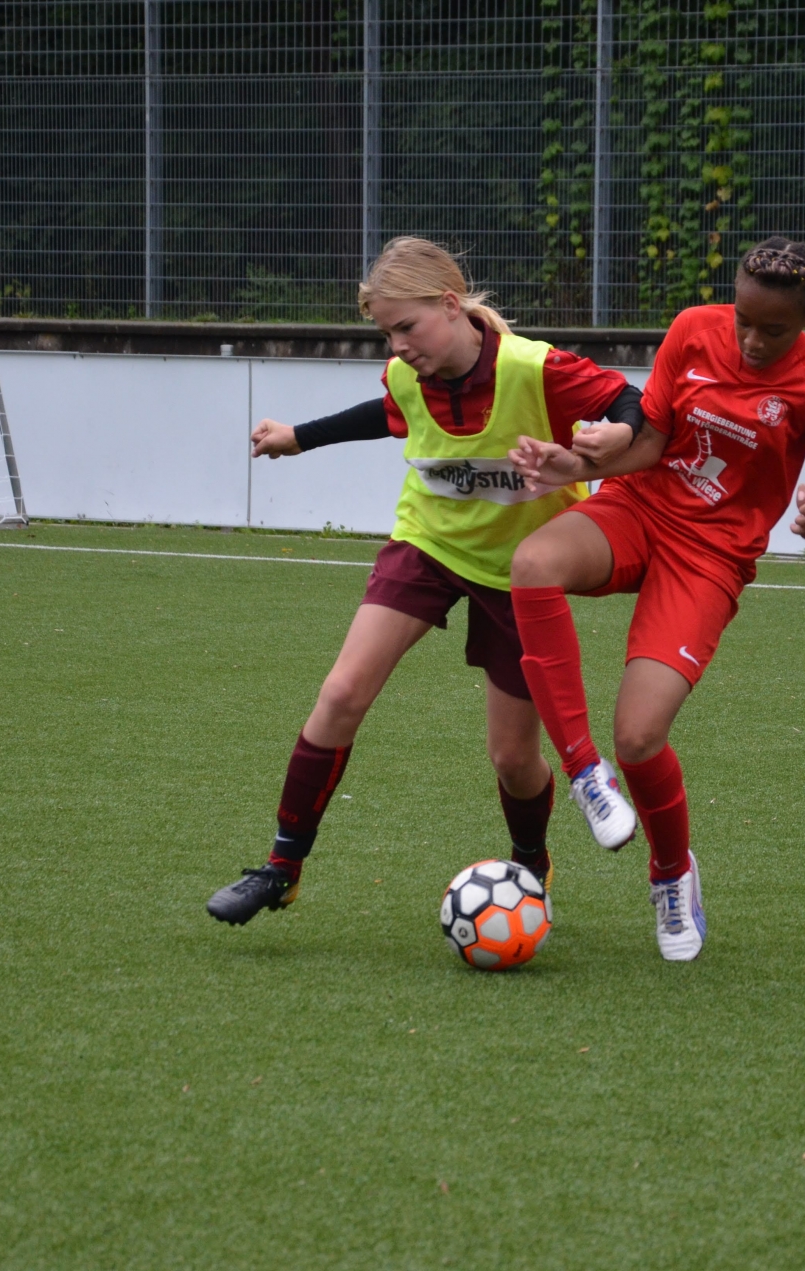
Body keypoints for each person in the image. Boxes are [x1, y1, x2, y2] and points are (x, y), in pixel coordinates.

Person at [206, 237, 644, 926]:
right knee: (341, 692)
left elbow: (628, 400)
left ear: (450, 304)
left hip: (518, 574)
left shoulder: (535, 368)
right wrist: (298, 435)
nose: (399, 345)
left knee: (512, 758)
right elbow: (383, 416)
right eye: (387, 333)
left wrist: (614, 436)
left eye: (406, 326)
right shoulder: (406, 376)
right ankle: (281, 869)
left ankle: (530, 861)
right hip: (427, 545)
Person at [505, 237, 805, 961]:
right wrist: (574, 464)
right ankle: (584, 773)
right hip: (638, 506)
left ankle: (672, 875)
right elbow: (649, 442)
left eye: (774, 330)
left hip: (710, 557)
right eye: (744, 320)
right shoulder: (693, 329)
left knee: (640, 737)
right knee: (533, 563)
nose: (752, 340)